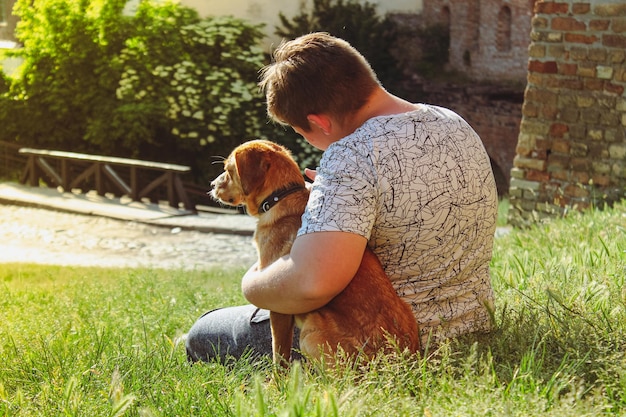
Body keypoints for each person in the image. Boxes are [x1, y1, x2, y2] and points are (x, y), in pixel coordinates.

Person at [185, 32, 498, 363]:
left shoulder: (351, 154)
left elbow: (310, 285)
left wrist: (252, 281)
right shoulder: (453, 121)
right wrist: (336, 199)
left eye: (302, 133)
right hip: (473, 325)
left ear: (319, 122)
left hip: (383, 344)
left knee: (203, 332)